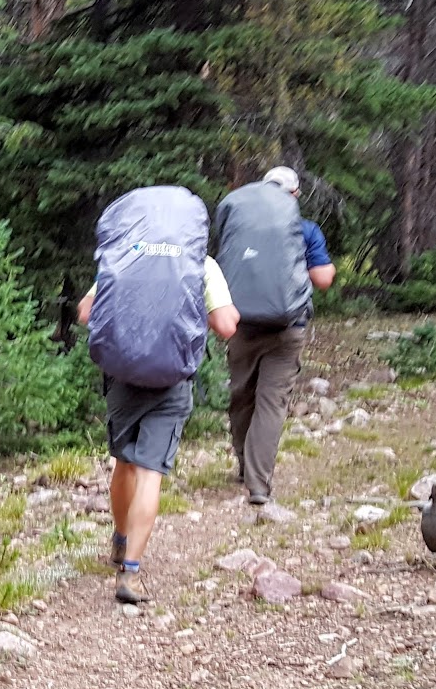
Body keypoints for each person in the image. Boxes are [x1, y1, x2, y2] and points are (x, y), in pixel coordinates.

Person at [77, 187, 239, 605]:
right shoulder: (201, 263)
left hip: (123, 378)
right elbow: (226, 325)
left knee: (124, 463)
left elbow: (86, 312)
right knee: (151, 473)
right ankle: (130, 573)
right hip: (171, 380)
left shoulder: (127, 254)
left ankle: (119, 539)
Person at [216, 166, 335, 506]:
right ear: (293, 195)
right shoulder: (305, 229)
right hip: (287, 326)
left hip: (241, 324)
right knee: (271, 403)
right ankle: (258, 485)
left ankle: (243, 465)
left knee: (242, 396)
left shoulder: (239, 228)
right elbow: (323, 279)